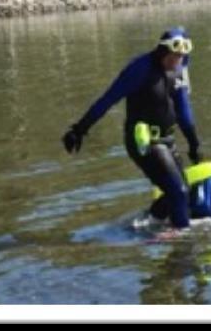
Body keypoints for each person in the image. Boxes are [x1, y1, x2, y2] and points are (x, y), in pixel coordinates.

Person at [62, 26, 201, 229]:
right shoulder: (140, 69)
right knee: (178, 192)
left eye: (182, 57)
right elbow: (108, 99)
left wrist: (194, 143)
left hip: (168, 140)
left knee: (184, 194)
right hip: (144, 142)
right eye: (174, 56)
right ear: (163, 51)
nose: (178, 61)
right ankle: (184, 242)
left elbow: (183, 108)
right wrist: (79, 129)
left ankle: (148, 223)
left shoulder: (180, 68)